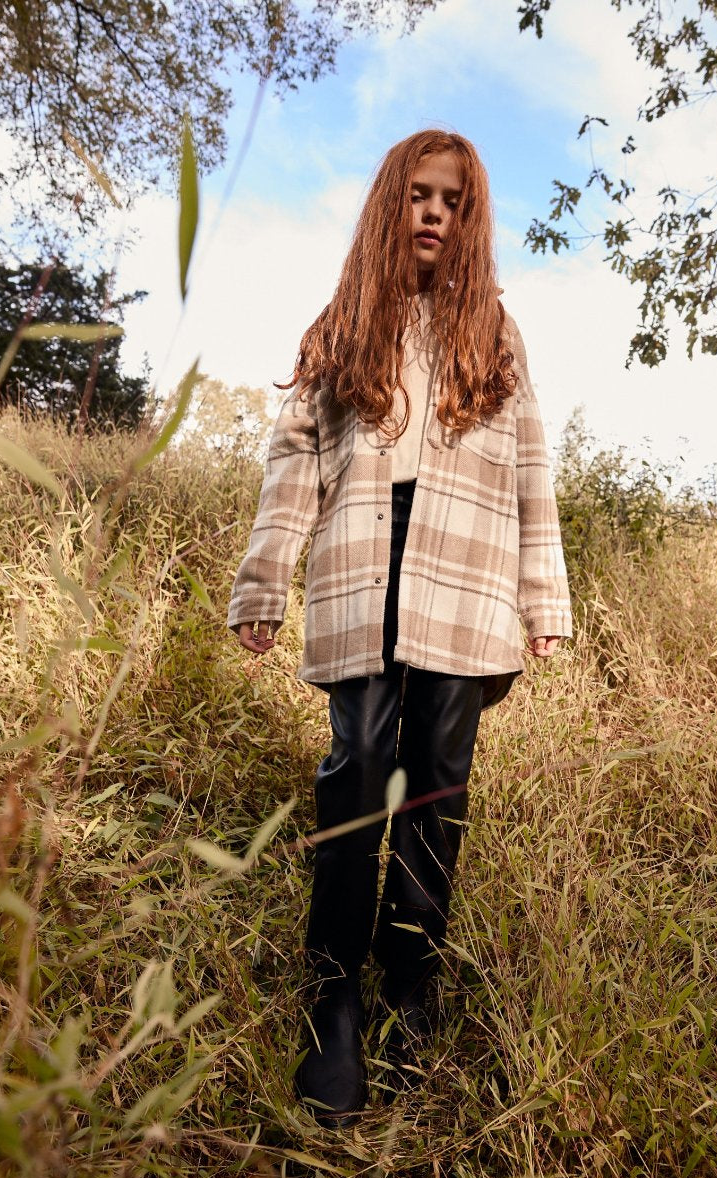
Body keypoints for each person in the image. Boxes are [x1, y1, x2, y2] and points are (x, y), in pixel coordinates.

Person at [228, 129, 572, 1126]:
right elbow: (292, 461)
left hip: (465, 571)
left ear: (471, 219)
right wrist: (264, 579)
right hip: (361, 558)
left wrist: (542, 598)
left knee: (436, 781)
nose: (434, 212)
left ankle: (409, 987)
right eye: (420, 194)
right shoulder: (343, 323)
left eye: (452, 201)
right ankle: (333, 998)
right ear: (392, 202)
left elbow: (531, 463)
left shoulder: (494, 331)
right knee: (360, 764)